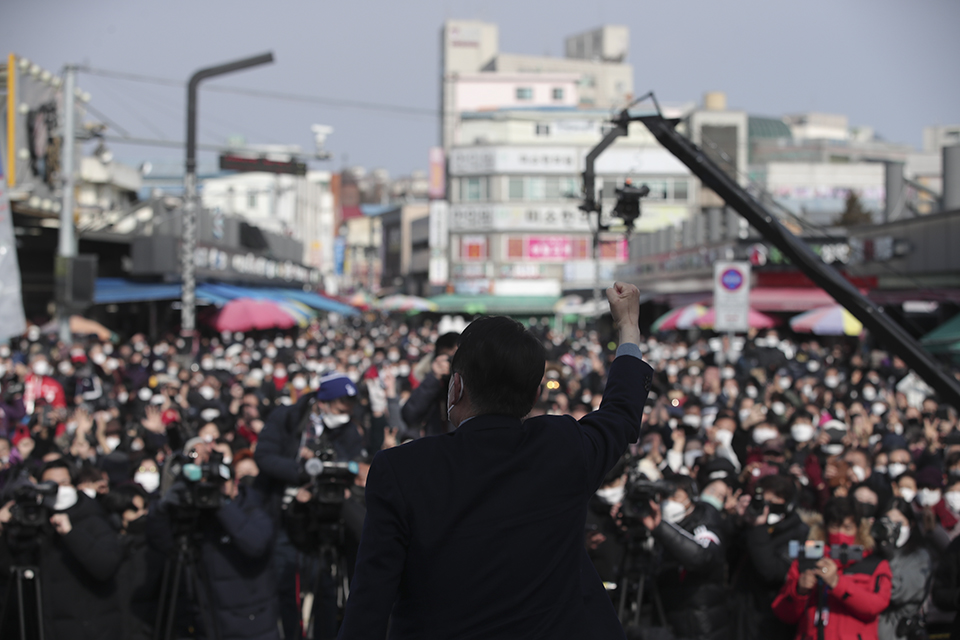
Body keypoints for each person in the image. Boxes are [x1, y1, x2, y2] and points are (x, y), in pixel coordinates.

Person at [338, 282, 652, 639]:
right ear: (535, 395)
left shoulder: (402, 470)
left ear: (456, 387)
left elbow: (369, 606)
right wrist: (628, 327)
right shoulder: (564, 447)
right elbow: (621, 414)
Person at [254, 372, 363, 640]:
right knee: (287, 585)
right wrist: (303, 471)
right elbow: (265, 457)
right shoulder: (288, 417)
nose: (344, 414)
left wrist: (327, 468)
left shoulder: (348, 428)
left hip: (322, 518)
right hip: (284, 514)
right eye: (340, 408)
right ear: (322, 401)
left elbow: (349, 465)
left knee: (326, 586)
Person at [149, 443, 278, 640]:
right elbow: (163, 544)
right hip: (207, 622)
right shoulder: (198, 516)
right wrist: (164, 507)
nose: (210, 488)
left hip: (250, 625)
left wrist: (222, 505)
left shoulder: (252, 506)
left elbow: (255, 543)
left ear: (235, 482)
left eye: (217, 482)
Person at [0, 458, 123, 639]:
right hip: (46, 626)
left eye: (63, 483)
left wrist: (71, 533)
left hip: (89, 627)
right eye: (50, 484)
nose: (57, 489)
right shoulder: (36, 523)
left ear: (75, 486)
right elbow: (10, 571)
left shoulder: (93, 519)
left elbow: (106, 566)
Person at [773, 496, 892, 640]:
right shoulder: (806, 561)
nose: (841, 534)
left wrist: (837, 583)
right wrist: (799, 591)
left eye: (847, 528)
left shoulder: (874, 564)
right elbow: (783, 613)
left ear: (858, 529)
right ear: (825, 528)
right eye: (835, 527)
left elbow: (875, 606)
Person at [642, 475, 730, 640]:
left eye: (675, 497)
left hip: (701, 628)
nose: (668, 502)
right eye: (664, 498)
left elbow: (701, 557)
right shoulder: (653, 522)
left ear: (691, 499)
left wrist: (661, 528)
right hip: (666, 624)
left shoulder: (705, 522)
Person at [731, 474, 810, 640]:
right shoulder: (749, 524)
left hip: (771, 620)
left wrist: (758, 528)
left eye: (774, 501)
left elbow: (771, 571)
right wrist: (737, 522)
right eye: (763, 502)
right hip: (740, 613)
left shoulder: (799, 532)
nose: (766, 508)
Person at [874, 498, 933, 640]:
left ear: (911, 525)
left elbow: (898, 593)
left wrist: (890, 558)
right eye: (887, 522)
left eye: (899, 522)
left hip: (896, 632)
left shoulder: (919, 557)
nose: (893, 527)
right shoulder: (872, 553)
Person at [399, 331, 459, 437]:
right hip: (437, 443)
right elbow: (409, 414)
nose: (451, 364)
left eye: (456, 358)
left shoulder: (470, 383)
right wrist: (434, 378)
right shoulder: (433, 382)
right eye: (448, 359)